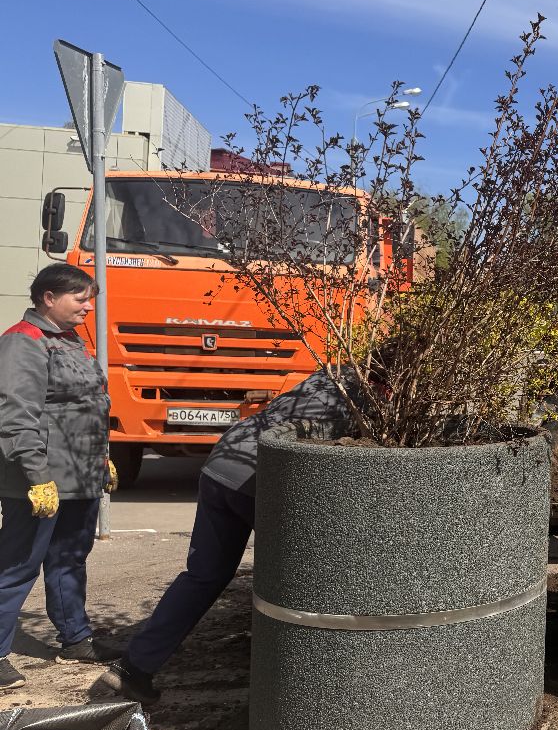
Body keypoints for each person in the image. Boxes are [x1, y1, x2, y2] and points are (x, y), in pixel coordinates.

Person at [92, 366, 363, 705]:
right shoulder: (366, 395)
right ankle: (311, 690)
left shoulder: (331, 373)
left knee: (203, 576)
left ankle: (133, 669)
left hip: (222, 464)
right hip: (259, 477)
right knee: (308, 578)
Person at [0, 264, 123, 689]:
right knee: (17, 566)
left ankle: (76, 639)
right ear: (48, 298)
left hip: (79, 477)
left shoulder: (69, 340)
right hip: (39, 482)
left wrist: (100, 459)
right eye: (80, 298)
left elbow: (88, 405)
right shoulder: (24, 342)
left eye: (90, 298)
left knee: (69, 560)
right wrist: (36, 476)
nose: (88, 307)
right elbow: (17, 419)